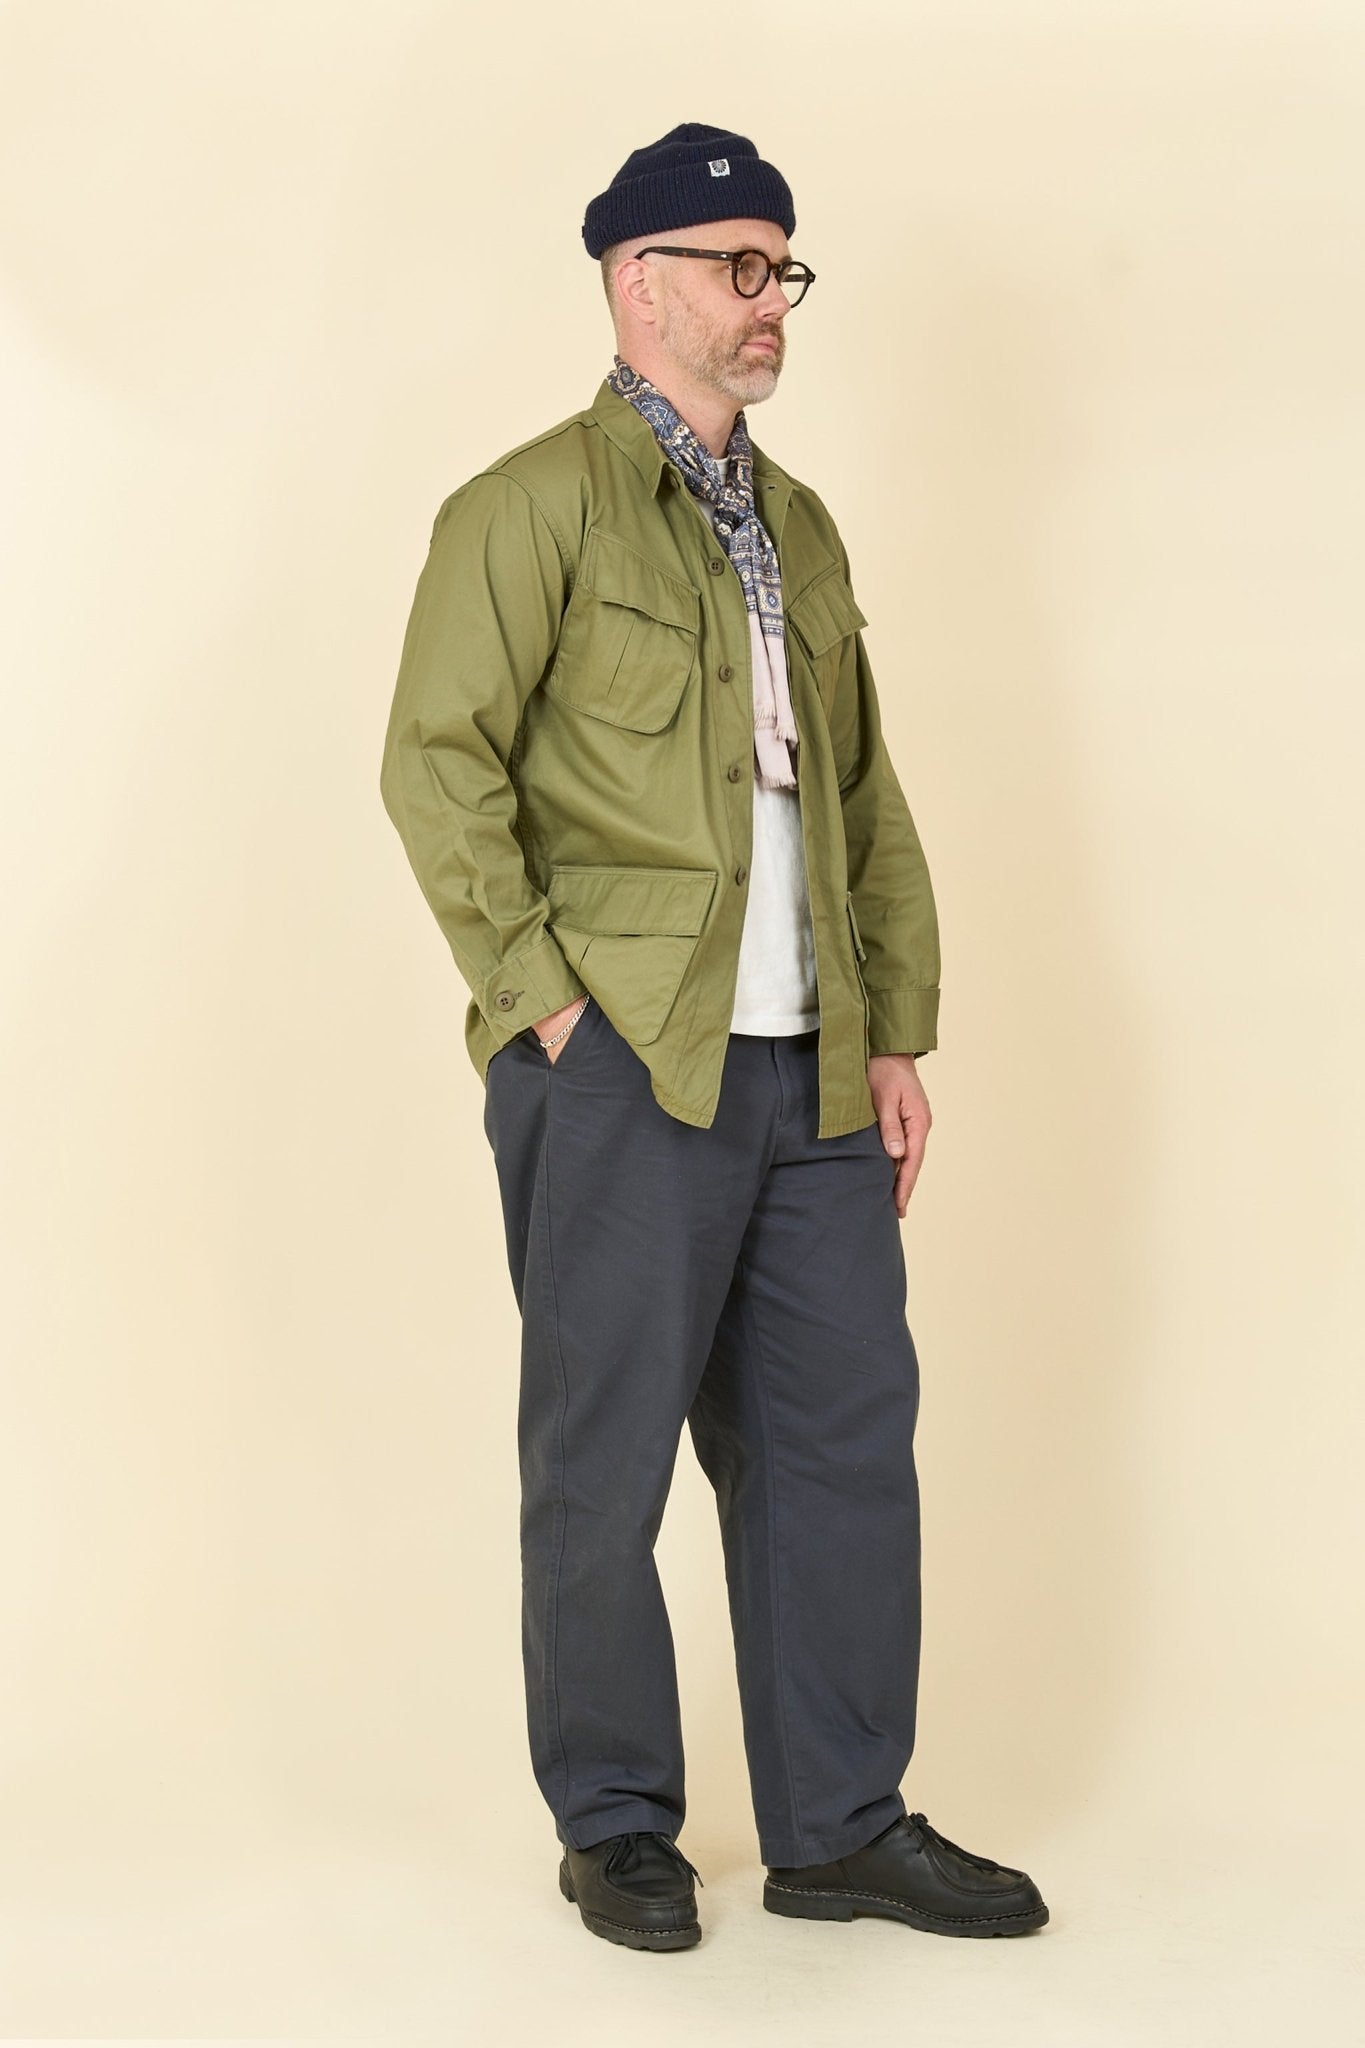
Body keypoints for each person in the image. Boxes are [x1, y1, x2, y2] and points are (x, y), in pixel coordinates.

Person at [379, 122, 1049, 1952]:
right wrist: (545, 1006)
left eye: (783, 269)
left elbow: (858, 792)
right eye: (738, 268)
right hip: (622, 1062)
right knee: (599, 1463)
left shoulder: (798, 524)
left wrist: (890, 1031)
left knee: (841, 1445)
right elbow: (434, 766)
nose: (772, 303)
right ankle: (615, 1824)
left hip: (809, 1068)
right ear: (638, 283)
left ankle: (839, 1824)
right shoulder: (527, 508)